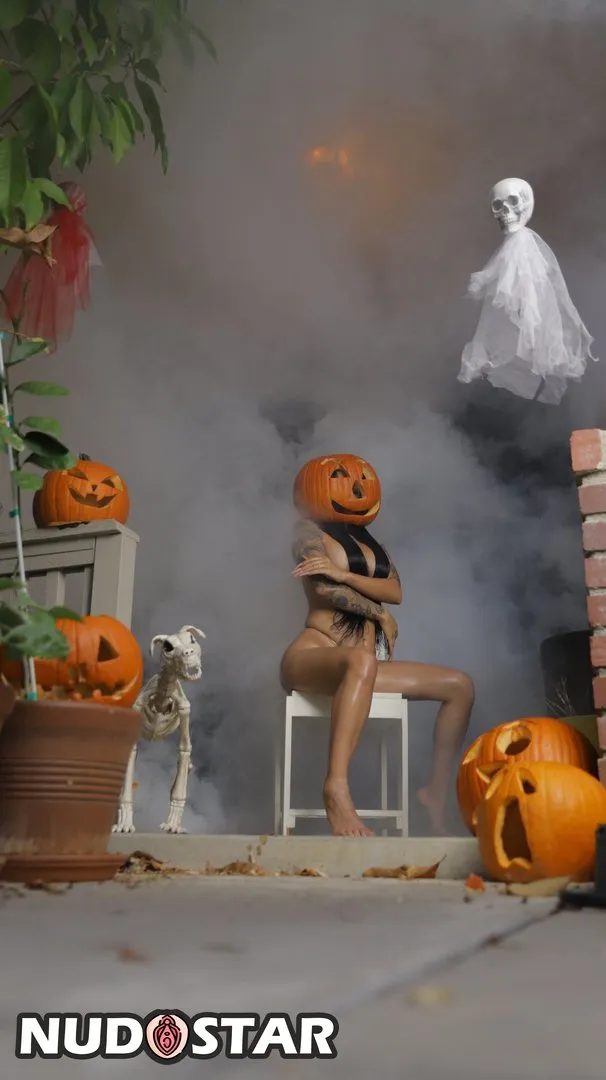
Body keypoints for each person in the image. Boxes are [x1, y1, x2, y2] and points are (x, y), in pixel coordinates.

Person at [280, 459, 474, 837]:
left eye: (363, 478)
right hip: (311, 657)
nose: (356, 486)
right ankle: (335, 787)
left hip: (362, 667)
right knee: (362, 661)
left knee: (460, 686)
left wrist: (344, 573)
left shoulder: (373, 546)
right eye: (340, 477)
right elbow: (324, 589)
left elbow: (395, 591)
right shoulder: (307, 533)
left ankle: (436, 791)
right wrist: (379, 614)